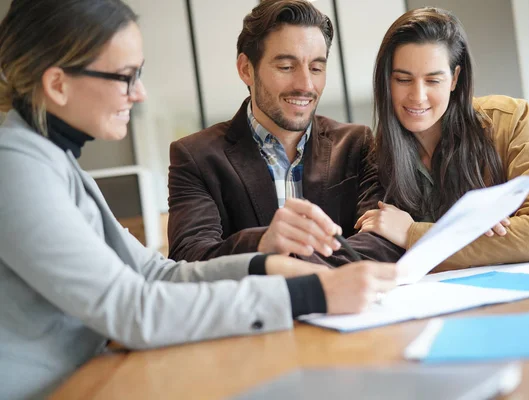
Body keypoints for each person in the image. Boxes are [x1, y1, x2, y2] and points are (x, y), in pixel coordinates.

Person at [0, 1, 398, 398]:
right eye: (126, 76)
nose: (139, 94)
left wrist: (266, 265)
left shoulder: (54, 161)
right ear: (57, 84)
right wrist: (307, 294)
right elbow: (133, 309)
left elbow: (158, 275)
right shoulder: (15, 170)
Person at [167, 0, 402, 265]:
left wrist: (289, 267)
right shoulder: (196, 157)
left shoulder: (356, 144)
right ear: (246, 69)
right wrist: (263, 242)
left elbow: (382, 244)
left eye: (316, 68)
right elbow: (189, 259)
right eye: (286, 67)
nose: (305, 85)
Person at [355, 7, 529, 270]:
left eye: (433, 80)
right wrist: (476, 236)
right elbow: (386, 255)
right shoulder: (375, 154)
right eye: (403, 79)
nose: (417, 96)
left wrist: (413, 234)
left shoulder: (510, 120)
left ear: (454, 79)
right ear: (387, 81)